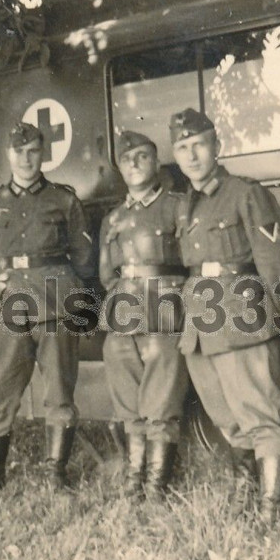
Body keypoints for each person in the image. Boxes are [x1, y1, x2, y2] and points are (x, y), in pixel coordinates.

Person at [169, 108, 280, 522]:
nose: (191, 156)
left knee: (258, 412)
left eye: (199, 145)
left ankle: (272, 508)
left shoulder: (245, 192)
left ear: (217, 147)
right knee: (224, 413)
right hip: (200, 320)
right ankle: (249, 487)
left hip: (239, 311)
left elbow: (273, 258)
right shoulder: (185, 204)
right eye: (182, 148)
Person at [0, 122, 96, 493]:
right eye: (19, 152)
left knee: (59, 391)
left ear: (43, 154)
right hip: (11, 302)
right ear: (8, 155)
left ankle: (55, 473)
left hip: (56, 300)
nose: (26, 159)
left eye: (33, 152)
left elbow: (85, 258)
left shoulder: (63, 200)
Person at [98, 130, 189, 499]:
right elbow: (106, 273)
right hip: (124, 311)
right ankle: (135, 476)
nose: (134, 163)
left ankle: (156, 483)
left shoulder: (177, 206)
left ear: (155, 160)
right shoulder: (114, 218)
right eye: (126, 159)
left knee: (162, 400)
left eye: (141, 156)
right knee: (127, 398)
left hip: (165, 308)